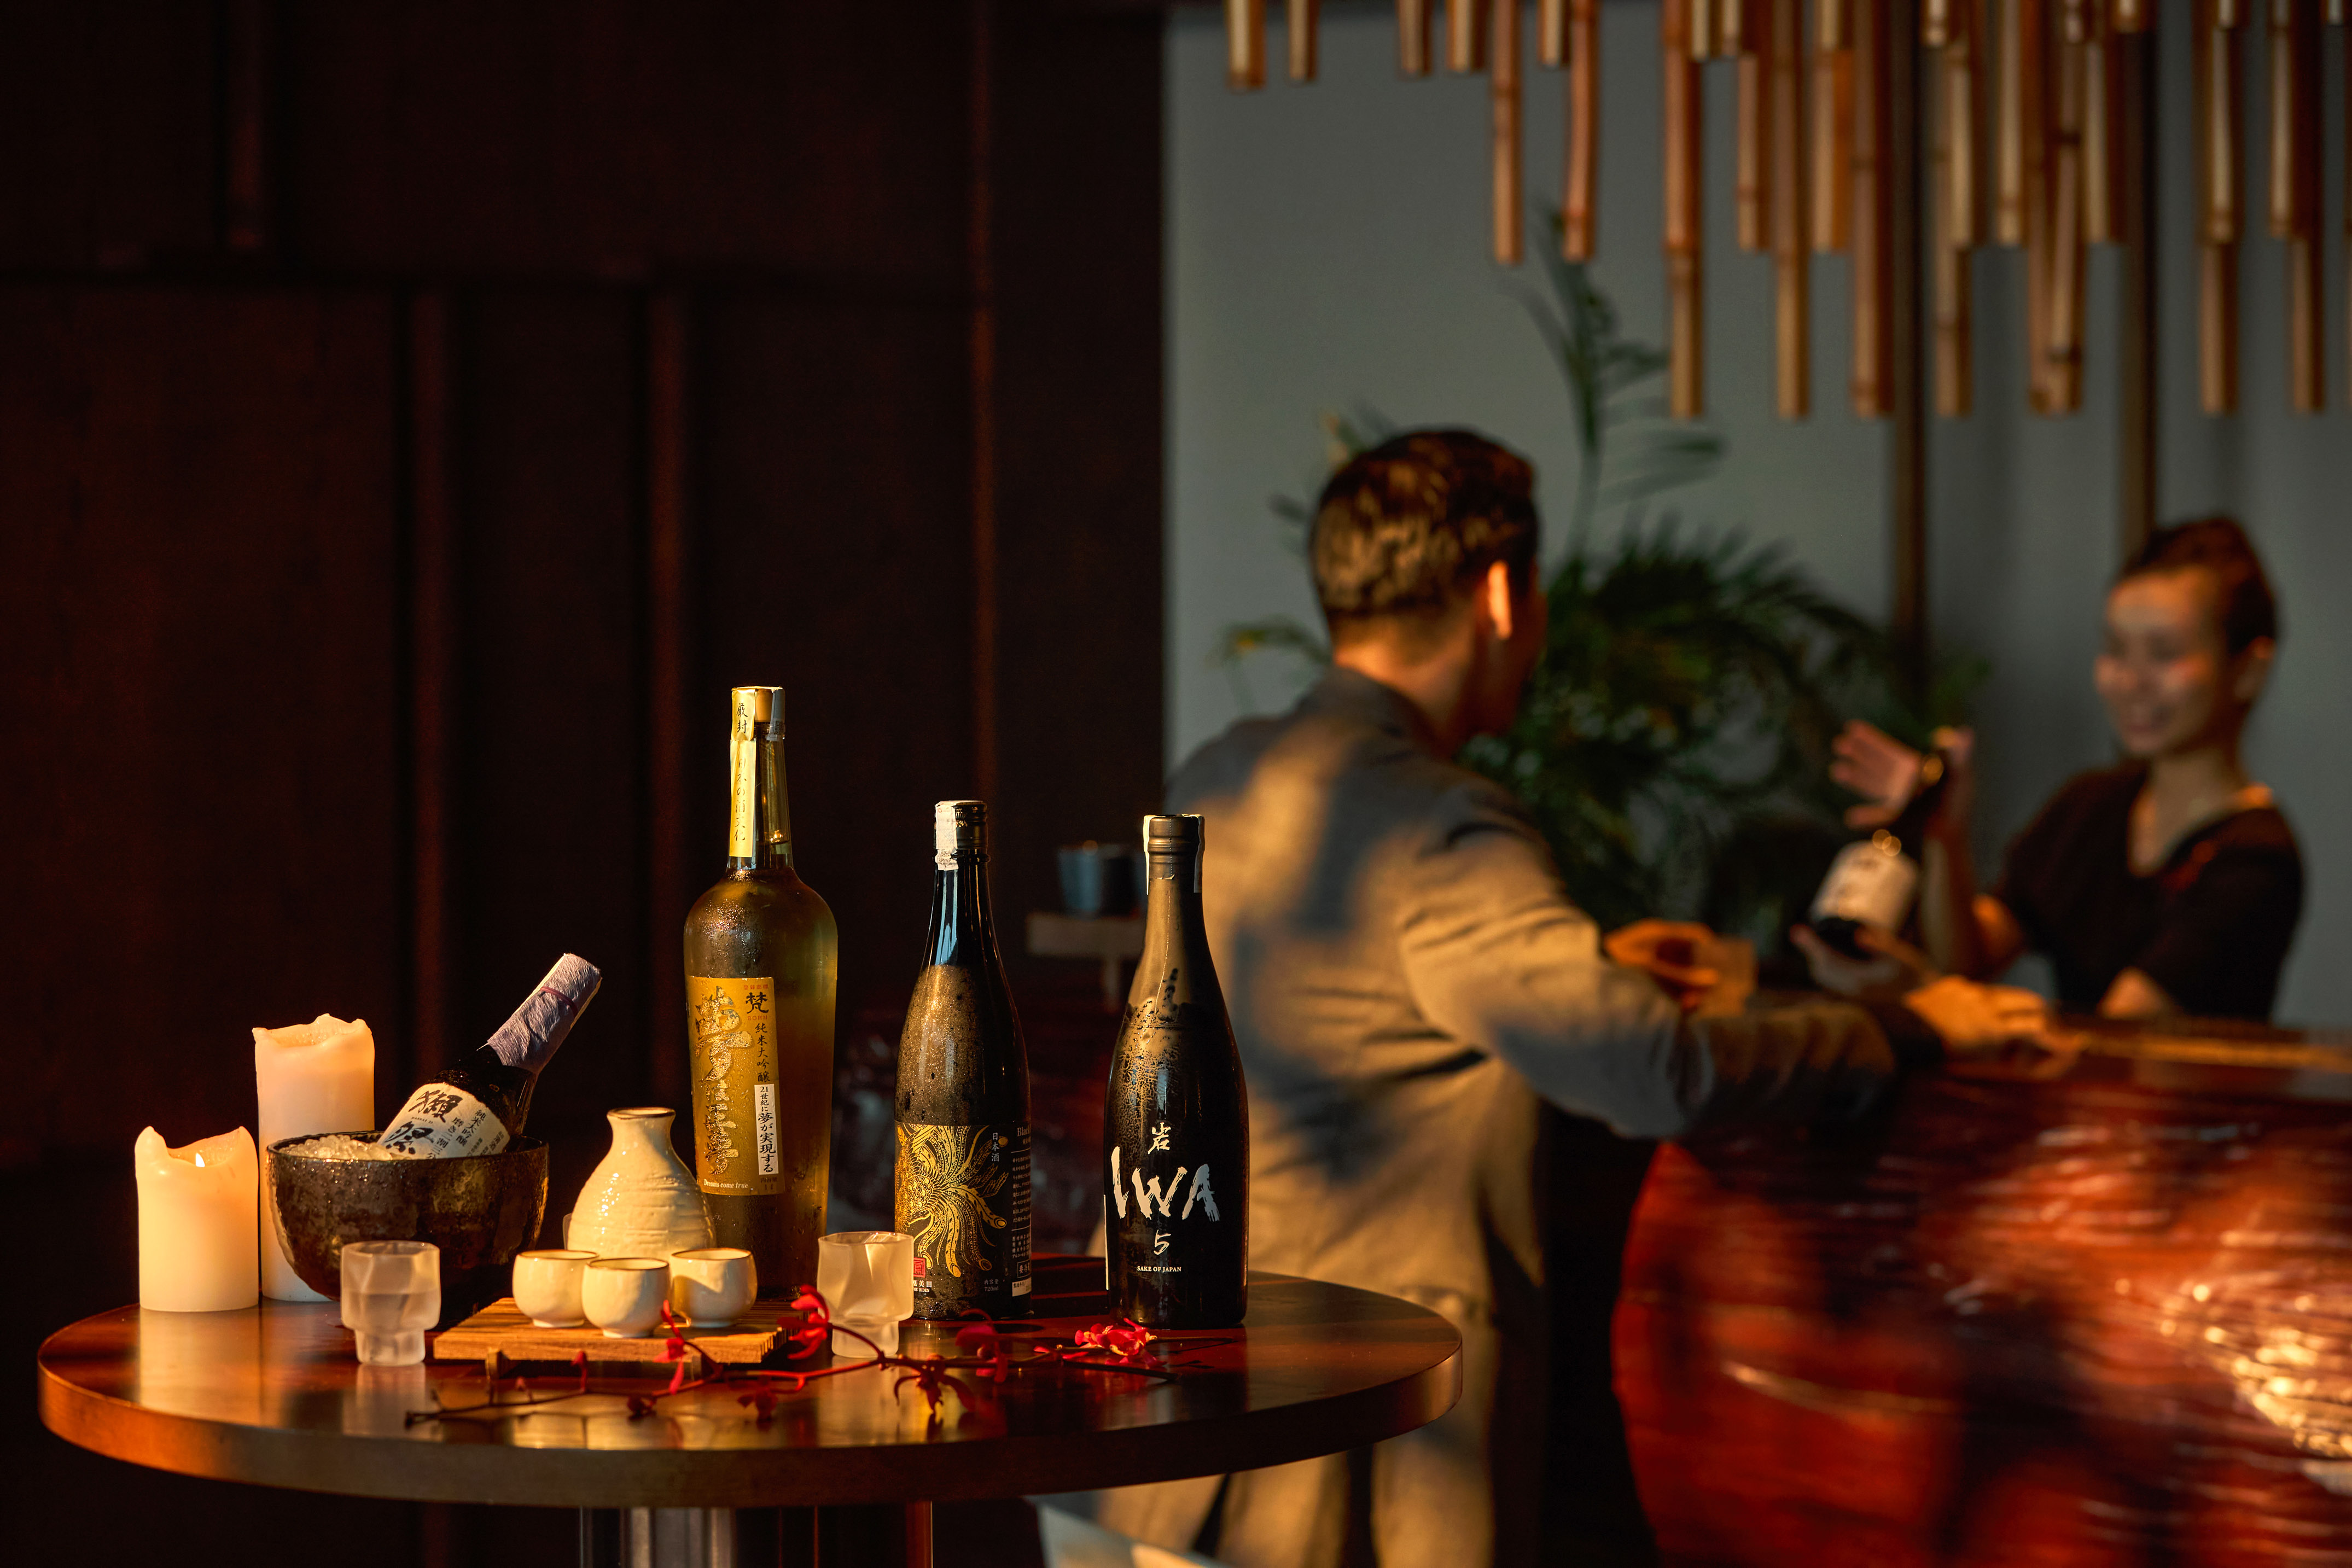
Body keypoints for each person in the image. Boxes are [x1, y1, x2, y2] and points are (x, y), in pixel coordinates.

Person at [1093, 430, 2047, 1568]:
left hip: (1167, 1429)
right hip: (1334, 1455)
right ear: (1501, 593)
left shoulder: (1218, 771)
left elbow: (1367, 1000)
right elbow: (1655, 1074)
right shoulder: (1437, 821)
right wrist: (1904, 1026)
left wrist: (1586, 963)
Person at [1798, 516, 2302, 1022]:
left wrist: (1925, 995)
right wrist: (1942, 836)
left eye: (2164, 654)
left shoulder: (2258, 858)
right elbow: (1972, 957)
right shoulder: (2091, 805)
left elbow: (2124, 1029)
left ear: (2248, 669)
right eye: (2115, 650)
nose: (2131, 679)